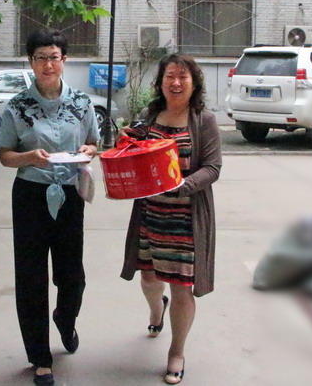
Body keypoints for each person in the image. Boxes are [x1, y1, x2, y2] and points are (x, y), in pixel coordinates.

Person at [0, 28, 100, 386]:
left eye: (54, 57)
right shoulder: (17, 107)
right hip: (30, 194)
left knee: (72, 276)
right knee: (31, 277)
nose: (47, 64)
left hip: (70, 195)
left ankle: (65, 320)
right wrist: (29, 157)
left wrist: (87, 151)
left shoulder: (82, 103)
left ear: (64, 60)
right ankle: (40, 356)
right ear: (31, 62)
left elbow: (93, 143)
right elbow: (5, 156)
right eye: (40, 58)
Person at [120, 53, 222, 385]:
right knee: (149, 279)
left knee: (181, 287)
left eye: (183, 77)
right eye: (169, 77)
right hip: (151, 215)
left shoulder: (204, 120)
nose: (175, 83)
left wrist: (184, 185)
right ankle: (155, 309)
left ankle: (176, 352)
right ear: (161, 82)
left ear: (194, 83)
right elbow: (135, 155)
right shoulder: (150, 117)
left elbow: (213, 167)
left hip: (186, 219)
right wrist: (126, 143)